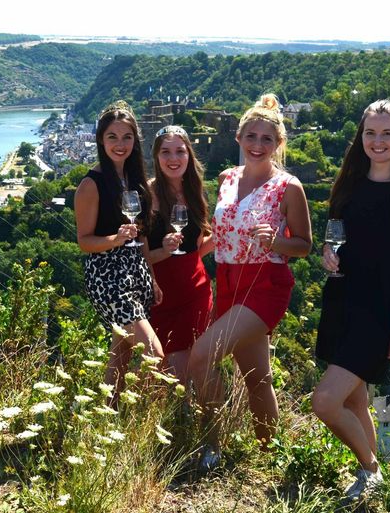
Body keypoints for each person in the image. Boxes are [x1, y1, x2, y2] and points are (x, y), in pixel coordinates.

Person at [313, 99, 390, 500]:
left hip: (380, 314)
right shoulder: (348, 185)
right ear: (360, 137)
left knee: (325, 402)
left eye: (387, 133)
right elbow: (335, 239)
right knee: (354, 400)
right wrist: (328, 256)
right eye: (370, 132)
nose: (377, 141)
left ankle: (371, 470)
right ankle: (375, 485)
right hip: (341, 301)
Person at [188, 94, 312, 470]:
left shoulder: (288, 187)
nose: (258, 145)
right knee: (258, 379)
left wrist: (276, 242)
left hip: (264, 284)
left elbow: (304, 245)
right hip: (227, 283)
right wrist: (187, 255)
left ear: (279, 144)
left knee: (201, 356)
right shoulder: (227, 178)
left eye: (267, 139)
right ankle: (269, 454)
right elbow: (221, 233)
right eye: (252, 136)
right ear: (239, 137)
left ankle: (213, 443)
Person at [74, 100, 164, 406]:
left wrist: (152, 278)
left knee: (121, 355)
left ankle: (108, 415)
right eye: (112, 136)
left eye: (127, 137)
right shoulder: (91, 184)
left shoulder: (135, 181)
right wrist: (115, 238)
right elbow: (84, 241)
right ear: (101, 139)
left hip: (136, 273)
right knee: (154, 355)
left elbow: (143, 236)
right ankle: (144, 417)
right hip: (108, 278)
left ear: (135, 140)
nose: (120, 144)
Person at [144, 125, 213, 385]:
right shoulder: (146, 196)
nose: (173, 158)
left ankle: (202, 411)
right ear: (156, 157)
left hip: (195, 292)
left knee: (190, 370)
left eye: (180, 151)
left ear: (189, 155)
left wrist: (220, 236)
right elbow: (136, 258)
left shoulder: (196, 192)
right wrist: (164, 250)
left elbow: (195, 250)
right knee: (164, 375)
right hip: (160, 296)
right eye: (166, 152)